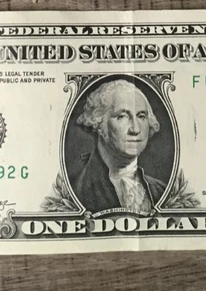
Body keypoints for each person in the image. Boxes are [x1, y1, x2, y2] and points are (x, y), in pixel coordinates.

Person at [71, 80, 167, 213]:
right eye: (122, 116)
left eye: (141, 116)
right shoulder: (76, 192)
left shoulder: (161, 190)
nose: (135, 129)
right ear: (99, 122)